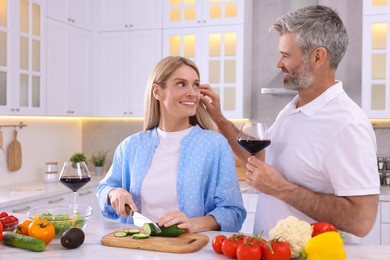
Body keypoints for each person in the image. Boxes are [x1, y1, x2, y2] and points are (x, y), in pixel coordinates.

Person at [199, 5, 379, 240]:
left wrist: (281, 189)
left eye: (286, 55)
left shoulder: (348, 124)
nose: (278, 63)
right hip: (271, 252)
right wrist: (219, 119)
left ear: (318, 56)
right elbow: (261, 159)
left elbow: (361, 220)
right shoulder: (294, 107)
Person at [96, 56, 246, 233]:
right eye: (181, 84)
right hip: (136, 249)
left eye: (196, 85)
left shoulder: (214, 145)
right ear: (157, 92)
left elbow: (233, 212)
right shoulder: (131, 146)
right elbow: (104, 188)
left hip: (191, 250)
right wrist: (114, 193)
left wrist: (193, 224)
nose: (192, 92)